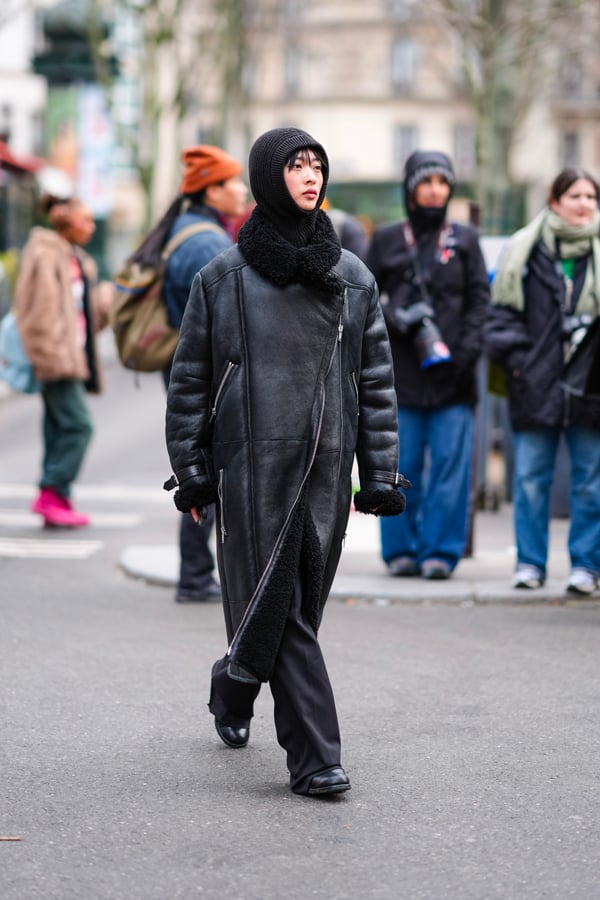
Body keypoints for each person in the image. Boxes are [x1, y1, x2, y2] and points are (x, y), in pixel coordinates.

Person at [164, 127, 407, 797]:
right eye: (296, 165)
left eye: (316, 164)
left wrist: (379, 473)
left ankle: (234, 686)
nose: (309, 176)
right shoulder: (223, 277)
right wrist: (191, 468)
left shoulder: (353, 277)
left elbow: (376, 384)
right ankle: (315, 760)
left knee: (289, 610)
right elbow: (190, 382)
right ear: (269, 177)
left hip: (325, 472)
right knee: (287, 611)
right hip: (252, 471)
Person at [126, 145, 247, 603]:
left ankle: (195, 573)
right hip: (203, 372)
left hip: (185, 367)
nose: (241, 190)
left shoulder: (189, 231)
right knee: (208, 467)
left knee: (202, 463)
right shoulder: (206, 244)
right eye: (233, 182)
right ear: (211, 189)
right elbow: (222, 320)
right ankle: (195, 575)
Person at [366, 150, 489, 580]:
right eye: (427, 181)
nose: (436, 190)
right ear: (410, 188)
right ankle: (399, 549)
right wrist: (394, 314)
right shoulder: (385, 240)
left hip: (454, 378)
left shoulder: (466, 239)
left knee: (451, 472)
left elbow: (479, 304)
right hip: (401, 378)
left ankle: (441, 551)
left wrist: (466, 357)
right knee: (402, 467)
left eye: (443, 182)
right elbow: (364, 302)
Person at [485, 167, 600, 595]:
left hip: (591, 386)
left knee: (590, 482)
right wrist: (523, 362)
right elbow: (498, 321)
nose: (584, 203)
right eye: (575, 194)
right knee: (532, 479)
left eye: (590, 195)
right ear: (554, 201)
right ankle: (530, 564)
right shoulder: (524, 252)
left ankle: (586, 566)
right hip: (537, 384)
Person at [13, 194, 111, 527]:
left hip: (71, 355)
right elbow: (38, 311)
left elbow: (81, 313)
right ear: (65, 222)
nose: (90, 227)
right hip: (56, 358)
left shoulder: (77, 258)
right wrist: (49, 355)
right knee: (78, 426)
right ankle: (51, 492)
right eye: (84, 221)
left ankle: (58, 497)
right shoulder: (45, 253)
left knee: (58, 427)